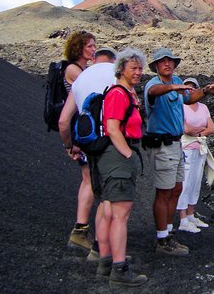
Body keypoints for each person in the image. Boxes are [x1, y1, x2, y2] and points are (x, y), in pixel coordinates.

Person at [143, 48, 214, 256]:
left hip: (177, 144)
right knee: (164, 191)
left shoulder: (177, 81)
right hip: (162, 144)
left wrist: (205, 91)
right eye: (162, 61)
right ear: (156, 66)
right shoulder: (154, 84)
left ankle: (168, 232)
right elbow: (153, 93)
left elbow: (188, 98)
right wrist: (171, 87)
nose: (167, 64)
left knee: (176, 189)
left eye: (170, 61)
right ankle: (162, 239)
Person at [59, 47, 117, 258]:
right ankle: (102, 249)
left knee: (89, 183)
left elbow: (63, 121)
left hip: (86, 142)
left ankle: (80, 230)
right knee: (109, 196)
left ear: (94, 59)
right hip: (111, 144)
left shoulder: (82, 78)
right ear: (114, 60)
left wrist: (69, 146)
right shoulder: (117, 75)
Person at [96, 47, 147, 287]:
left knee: (109, 212)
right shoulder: (118, 94)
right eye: (133, 68)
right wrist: (128, 155)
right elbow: (113, 127)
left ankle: (106, 263)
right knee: (120, 216)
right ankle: (119, 270)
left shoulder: (127, 92)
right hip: (118, 157)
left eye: (140, 68)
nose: (138, 72)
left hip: (114, 158)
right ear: (121, 69)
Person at [60, 31, 97, 250]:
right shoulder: (74, 70)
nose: (93, 50)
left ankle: (82, 229)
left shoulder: (81, 70)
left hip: (80, 130)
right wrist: (69, 144)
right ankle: (80, 230)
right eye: (90, 46)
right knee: (89, 179)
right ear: (79, 48)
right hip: (79, 131)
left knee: (89, 178)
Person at [176, 77, 214, 233]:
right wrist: (201, 131)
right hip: (186, 147)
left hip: (200, 147)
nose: (189, 90)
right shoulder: (180, 106)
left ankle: (191, 214)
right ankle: (182, 218)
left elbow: (212, 128)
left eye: (193, 88)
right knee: (185, 183)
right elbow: (186, 130)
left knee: (195, 182)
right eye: (186, 88)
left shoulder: (203, 107)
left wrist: (198, 132)